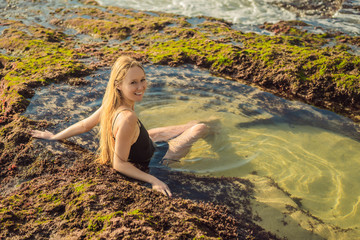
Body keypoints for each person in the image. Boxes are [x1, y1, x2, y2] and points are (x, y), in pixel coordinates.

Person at [31, 56, 209, 197]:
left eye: (142, 79)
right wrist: (153, 179)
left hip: (145, 142)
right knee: (199, 128)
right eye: (133, 83)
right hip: (155, 159)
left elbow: (84, 125)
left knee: (187, 125)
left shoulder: (110, 104)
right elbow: (119, 164)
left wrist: (54, 137)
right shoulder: (128, 118)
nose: (141, 87)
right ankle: (212, 135)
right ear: (118, 85)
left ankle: (189, 125)